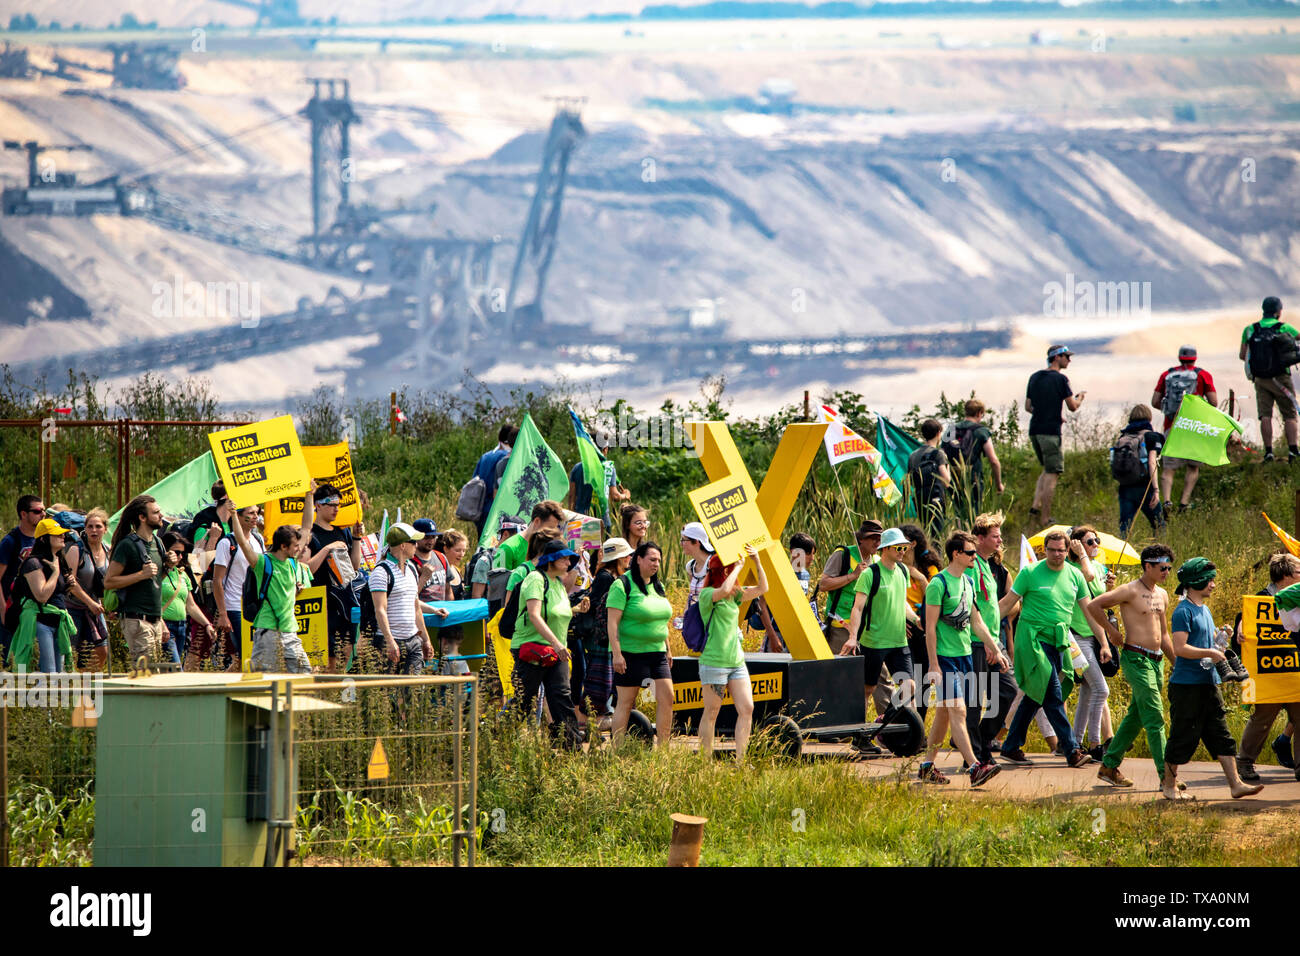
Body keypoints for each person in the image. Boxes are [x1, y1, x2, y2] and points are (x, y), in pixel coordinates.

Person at [996, 529, 1101, 768]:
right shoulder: (1030, 572)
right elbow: (1006, 604)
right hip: (1032, 640)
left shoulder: (1075, 575)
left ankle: (1010, 747)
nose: (1056, 555)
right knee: (1052, 693)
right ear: (1045, 550)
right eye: (1052, 550)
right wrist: (982, 628)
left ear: (1068, 550)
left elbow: (1089, 610)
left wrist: (1104, 641)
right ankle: (1071, 749)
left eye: (1061, 550)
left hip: (1059, 641)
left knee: (1036, 695)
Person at [1162, 558, 1263, 800]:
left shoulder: (1205, 610)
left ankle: (1235, 784)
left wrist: (1221, 637)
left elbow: (1207, 645)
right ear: (1196, 582)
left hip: (1208, 682)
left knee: (1221, 733)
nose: (1213, 585)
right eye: (1210, 581)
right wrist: (1210, 652)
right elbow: (1179, 648)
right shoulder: (1183, 610)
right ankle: (1169, 786)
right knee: (1182, 735)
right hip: (1186, 686)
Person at [917, 531, 1006, 787]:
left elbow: (977, 622)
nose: (974, 557)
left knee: (944, 714)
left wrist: (995, 649)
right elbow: (930, 628)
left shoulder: (968, 582)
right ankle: (975, 767)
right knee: (959, 710)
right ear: (956, 554)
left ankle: (926, 766)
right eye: (970, 553)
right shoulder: (938, 584)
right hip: (945, 660)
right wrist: (933, 664)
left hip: (965, 655)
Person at [1087, 544, 1176, 792]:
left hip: (1156, 661)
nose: (1166, 571)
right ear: (1147, 565)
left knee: (1136, 715)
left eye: (1169, 567)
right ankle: (1166, 776)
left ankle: (1109, 765)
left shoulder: (1162, 595)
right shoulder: (1129, 590)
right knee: (1155, 717)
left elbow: (1165, 635)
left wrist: (1176, 663)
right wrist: (1112, 631)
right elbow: (1094, 605)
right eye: (1162, 567)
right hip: (1136, 658)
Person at [511, 538, 585, 746]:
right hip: (532, 649)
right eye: (563, 559)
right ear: (550, 560)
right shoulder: (535, 579)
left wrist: (576, 610)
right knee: (524, 700)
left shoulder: (558, 583)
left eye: (570, 559)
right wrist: (557, 644)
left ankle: (573, 749)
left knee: (562, 698)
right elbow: (534, 615)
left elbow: (554, 613)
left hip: (555, 651)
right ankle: (497, 738)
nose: (568, 563)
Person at [698, 544, 767, 760]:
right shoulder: (708, 595)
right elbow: (724, 590)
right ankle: (705, 760)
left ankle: (741, 760)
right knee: (711, 712)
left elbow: (762, 588)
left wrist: (756, 561)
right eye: (729, 570)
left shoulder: (733, 595)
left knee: (747, 708)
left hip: (736, 661)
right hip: (714, 661)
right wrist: (737, 568)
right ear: (724, 572)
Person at [840, 527, 917, 721]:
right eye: (898, 548)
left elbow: (902, 602)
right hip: (873, 642)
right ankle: (860, 735)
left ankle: (890, 723)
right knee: (867, 689)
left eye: (904, 548)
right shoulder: (870, 574)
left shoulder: (902, 571)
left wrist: (916, 619)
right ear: (885, 549)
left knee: (909, 686)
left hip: (899, 642)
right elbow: (857, 608)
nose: (902, 552)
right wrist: (852, 637)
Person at [1236, 552, 1300, 782]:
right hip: (1269, 672)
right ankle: (1244, 762)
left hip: (1294, 670)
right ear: (1285, 575)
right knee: (1263, 719)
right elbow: (1246, 617)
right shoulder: (1263, 597)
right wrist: (1241, 628)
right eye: (1299, 572)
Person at [965, 512, 1022, 766]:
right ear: (980, 538)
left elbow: (994, 606)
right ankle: (976, 756)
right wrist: (989, 643)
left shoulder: (990, 564)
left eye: (1000, 535)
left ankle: (982, 742)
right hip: (975, 642)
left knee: (1008, 690)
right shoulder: (971, 565)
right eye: (995, 536)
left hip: (992, 639)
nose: (1000, 540)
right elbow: (973, 608)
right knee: (974, 702)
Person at [608, 541, 675, 748]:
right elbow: (612, 623)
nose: (656, 564)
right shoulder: (622, 585)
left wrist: (668, 648)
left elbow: (661, 620)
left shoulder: (658, 586)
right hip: (631, 653)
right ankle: (617, 749)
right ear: (638, 559)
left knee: (667, 698)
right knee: (626, 702)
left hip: (657, 653)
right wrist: (617, 654)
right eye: (652, 559)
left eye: (659, 561)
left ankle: (663, 750)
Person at [1066, 526, 1116, 759]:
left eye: (1097, 540)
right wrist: (1082, 555)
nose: (1096, 544)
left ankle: (1075, 743)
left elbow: (1101, 601)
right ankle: (1095, 744)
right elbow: (1087, 577)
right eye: (1090, 541)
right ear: (1076, 546)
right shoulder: (1073, 568)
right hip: (1076, 635)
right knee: (1100, 689)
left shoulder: (1098, 567)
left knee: (1088, 690)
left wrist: (1110, 589)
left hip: (1095, 635)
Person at [574, 537, 634, 727]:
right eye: (626, 555)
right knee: (599, 680)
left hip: (604, 637)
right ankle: (590, 719)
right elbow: (600, 608)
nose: (629, 558)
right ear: (619, 558)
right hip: (600, 638)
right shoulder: (607, 577)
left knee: (603, 679)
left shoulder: (608, 576)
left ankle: (595, 717)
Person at [305, 482, 364, 672]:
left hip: (342, 602)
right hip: (321, 602)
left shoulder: (341, 531)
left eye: (338, 505)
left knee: (343, 656)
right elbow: (306, 570)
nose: (336, 509)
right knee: (325, 659)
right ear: (318, 505)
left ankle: (336, 693)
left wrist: (356, 539)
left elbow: (353, 567)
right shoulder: (311, 535)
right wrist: (326, 549)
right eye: (331, 505)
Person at [6, 516, 77, 673]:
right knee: (49, 672)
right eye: (57, 534)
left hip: (58, 622)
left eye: (62, 533)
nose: (62, 536)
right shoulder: (33, 563)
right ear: (44, 539)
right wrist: (55, 573)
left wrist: (68, 584)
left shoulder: (58, 560)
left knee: (60, 674)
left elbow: (56, 594)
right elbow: (42, 596)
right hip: (40, 623)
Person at [1152, 345, 1218, 513]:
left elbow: (1155, 401)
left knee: (1168, 469)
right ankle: (1184, 502)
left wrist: (1169, 410)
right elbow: (1214, 402)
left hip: (1172, 425)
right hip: (1194, 426)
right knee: (1193, 467)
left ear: (1179, 357)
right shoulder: (1203, 375)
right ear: (1195, 357)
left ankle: (1167, 502)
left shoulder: (1167, 375)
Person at [105, 494, 168, 665]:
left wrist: (167, 566)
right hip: (137, 620)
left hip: (155, 619)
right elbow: (109, 581)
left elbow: (155, 580)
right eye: (155, 512)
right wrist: (141, 574)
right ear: (142, 517)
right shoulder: (127, 545)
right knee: (145, 672)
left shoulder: (158, 542)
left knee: (153, 673)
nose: (161, 515)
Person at [1026, 344, 1085, 525]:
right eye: (1066, 356)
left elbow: (1029, 407)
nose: (1069, 360)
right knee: (1053, 472)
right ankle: (1045, 519)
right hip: (1050, 432)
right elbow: (1072, 406)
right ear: (1056, 357)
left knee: (1046, 468)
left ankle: (1035, 508)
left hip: (1034, 430)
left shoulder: (1034, 377)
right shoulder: (1061, 379)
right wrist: (1080, 397)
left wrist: (1050, 414)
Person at [370, 522, 438, 677]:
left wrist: (426, 639)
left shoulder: (412, 568)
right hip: (391, 640)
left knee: (414, 692)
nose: (416, 545)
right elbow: (380, 609)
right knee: (386, 694)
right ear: (402, 546)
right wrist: (389, 641)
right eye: (413, 542)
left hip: (413, 640)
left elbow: (416, 608)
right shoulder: (381, 572)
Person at [202, 504, 263, 672]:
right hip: (235, 606)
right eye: (251, 513)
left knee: (250, 657)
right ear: (238, 516)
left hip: (256, 606)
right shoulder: (226, 543)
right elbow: (217, 580)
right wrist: (223, 614)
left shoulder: (259, 540)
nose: (255, 517)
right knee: (246, 655)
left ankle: (221, 686)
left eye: (257, 513)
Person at [1240, 296, 1300, 462]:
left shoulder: (1250, 329)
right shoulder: (1284, 327)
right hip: (1281, 377)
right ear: (1278, 311)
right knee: (1289, 414)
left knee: (1265, 415)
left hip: (1260, 379)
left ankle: (1268, 452)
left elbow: (1242, 355)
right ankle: (1293, 450)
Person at [818, 520, 883, 654]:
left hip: (868, 628)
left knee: (875, 673)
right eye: (873, 538)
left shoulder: (877, 561)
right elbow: (823, 585)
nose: (877, 543)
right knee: (841, 671)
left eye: (880, 539)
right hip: (841, 626)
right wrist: (853, 575)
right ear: (861, 539)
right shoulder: (843, 554)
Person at [63, 507, 110, 672]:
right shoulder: (77, 549)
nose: (94, 530)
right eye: (90, 526)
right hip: (73, 607)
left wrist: (110, 605)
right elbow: (70, 583)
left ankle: (87, 685)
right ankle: (70, 689)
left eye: (98, 526)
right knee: (71, 653)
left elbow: (110, 581)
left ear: (105, 528)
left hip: (94, 608)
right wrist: (90, 603)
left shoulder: (107, 550)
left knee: (102, 649)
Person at [159, 531, 216, 665]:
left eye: (182, 554)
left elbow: (191, 605)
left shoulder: (182, 574)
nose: (179, 557)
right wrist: (161, 625)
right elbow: (150, 600)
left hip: (181, 626)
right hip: (165, 626)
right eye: (176, 552)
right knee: (176, 668)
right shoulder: (158, 573)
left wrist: (207, 624)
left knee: (169, 673)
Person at [0, 494, 45, 658]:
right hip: (12, 609)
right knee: (9, 658)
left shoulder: (42, 540)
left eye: (44, 511)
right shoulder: (10, 542)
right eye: (37, 511)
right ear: (23, 514)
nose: (43, 515)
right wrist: (3, 608)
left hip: (34, 609)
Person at [1112, 404, 1165, 536]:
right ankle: (1158, 552)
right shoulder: (1151, 436)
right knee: (1159, 525)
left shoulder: (1123, 437)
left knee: (1125, 527)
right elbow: (1152, 462)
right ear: (1149, 417)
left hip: (1125, 487)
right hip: (1145, 487)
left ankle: (1123, 553)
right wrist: (1156, 490)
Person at [950, 398, 1004, 521]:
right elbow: (993, 460)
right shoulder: (981, 431)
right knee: (973, 513)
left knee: (958, 513)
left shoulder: (951, 429)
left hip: (953, 477)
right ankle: (972, 538)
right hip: (972, 477)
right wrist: (998, 484)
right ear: (979, 413)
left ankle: (960, 536)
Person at [568, 428, 630, 526]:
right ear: (605, 449)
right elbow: (615, 496)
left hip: (579, 521)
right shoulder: (608, 468)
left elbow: (571, 497)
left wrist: (570, 521)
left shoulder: (577, 468)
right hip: (601, 522)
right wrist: (625, 495)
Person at [470, 423, 518, 537]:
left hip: (482, 510)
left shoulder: (486, 456)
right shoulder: (507, 459)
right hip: (497, 510)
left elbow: (475, 480)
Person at [493, 499, 564, 572]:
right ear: (537, 521)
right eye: (550, 528)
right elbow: (496, 582)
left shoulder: (548, 548)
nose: (553, 532)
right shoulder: (507, 548)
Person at [908, 419, 950, 540]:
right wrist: (948, 465)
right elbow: (947, 482)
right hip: (936, 501)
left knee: (927, 534)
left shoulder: (913, 455)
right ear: (938, 433)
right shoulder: (938, 454)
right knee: (937, 536)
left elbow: (910, 481)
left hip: (920, 500)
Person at [469, 513, 524, 603]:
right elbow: (477, 597)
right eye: (518, 539)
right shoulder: (486, 560)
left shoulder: (518, 558)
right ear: (505, 534)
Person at [189, 481, 234, 551]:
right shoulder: (204, 521)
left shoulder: (236, 520)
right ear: (227, 497)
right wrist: (213, 538)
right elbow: (200, 559)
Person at [679, 521, 715, 610]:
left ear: (696, 542)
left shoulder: (714, 565)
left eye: (684, 540)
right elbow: (692, 596)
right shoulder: (690, 566)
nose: (681, 544)